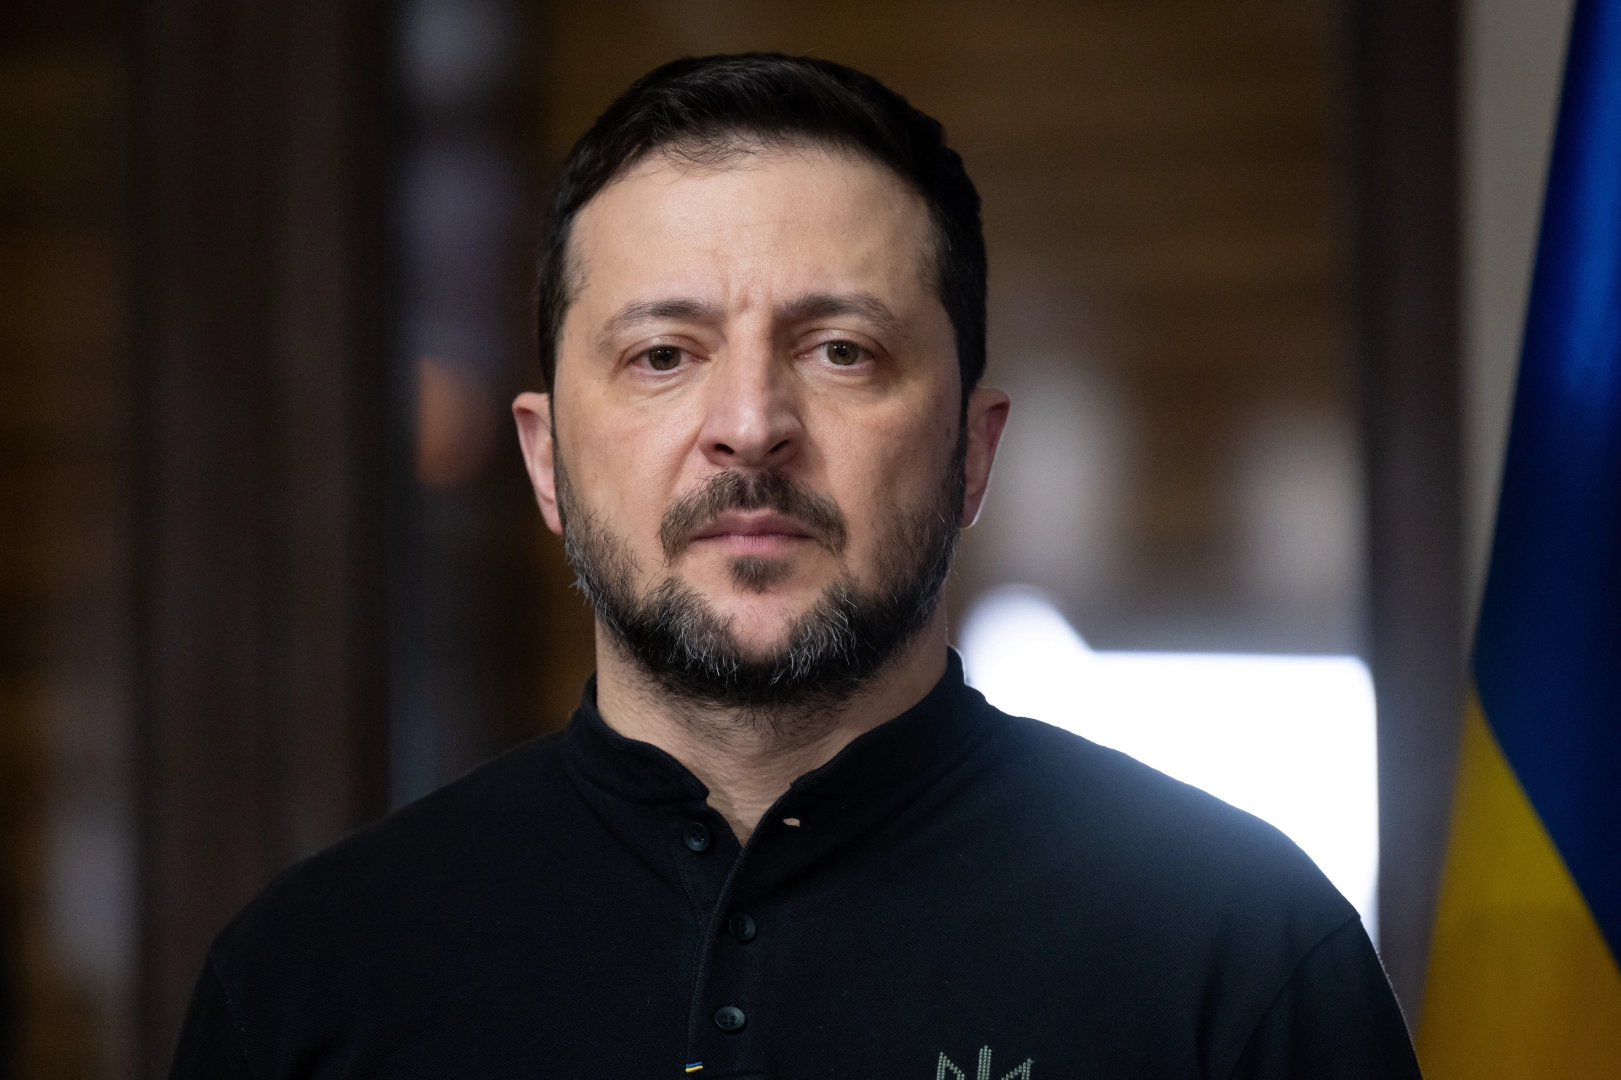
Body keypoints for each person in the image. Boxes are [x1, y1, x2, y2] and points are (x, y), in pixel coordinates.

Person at [169, 53, 1421, 1079]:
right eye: (664, 355)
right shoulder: (306, 985)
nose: (751, 424)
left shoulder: (1238, 954)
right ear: (546, 462)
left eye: (840, 351)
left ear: (971, 453)